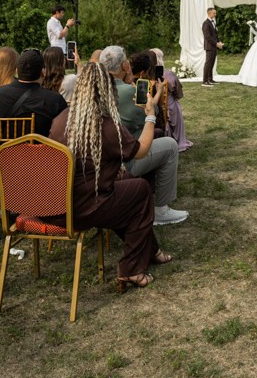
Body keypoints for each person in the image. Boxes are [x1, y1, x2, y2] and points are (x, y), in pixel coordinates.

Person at [48, 63, 173, 292]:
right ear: (107, 91)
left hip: (56, 205)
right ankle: (131, 268)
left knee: (129, 191)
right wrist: (151, 116)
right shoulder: (106, 126)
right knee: (141, 190)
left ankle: (151, 250)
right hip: (86, 206)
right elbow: (142, 149)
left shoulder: (60, 121)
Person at [100, 46, 189, 225]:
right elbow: (152, 112)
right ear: (125, 65)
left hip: (101, 160)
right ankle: (161, 210)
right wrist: (155, 92)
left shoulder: (96, 89)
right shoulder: (127, 91)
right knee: (170, 145)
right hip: (125, 160)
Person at [0, 48, 67, 137]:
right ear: (43, 72)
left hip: (4, 150)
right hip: (42, 150)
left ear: (17, 71)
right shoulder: (55, 100)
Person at [152, 48, 192, 151]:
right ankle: (178, 140)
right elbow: (178, 93)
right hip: (170, 108)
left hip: (153, 108)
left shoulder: (147, 76)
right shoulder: (168, 74)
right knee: (175, 104)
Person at [202, 7, 222, 85]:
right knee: (208, 63)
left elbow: (215, 34)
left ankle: (210, 79)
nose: (215, 14)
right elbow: (207, 36)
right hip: (209, 46)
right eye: (214, 13)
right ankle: (205, 81)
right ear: (209, 13)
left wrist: (219, 41)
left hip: (214, 46)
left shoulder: (213, 22)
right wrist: (216, 44)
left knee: (212, 63)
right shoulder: (206, 23)